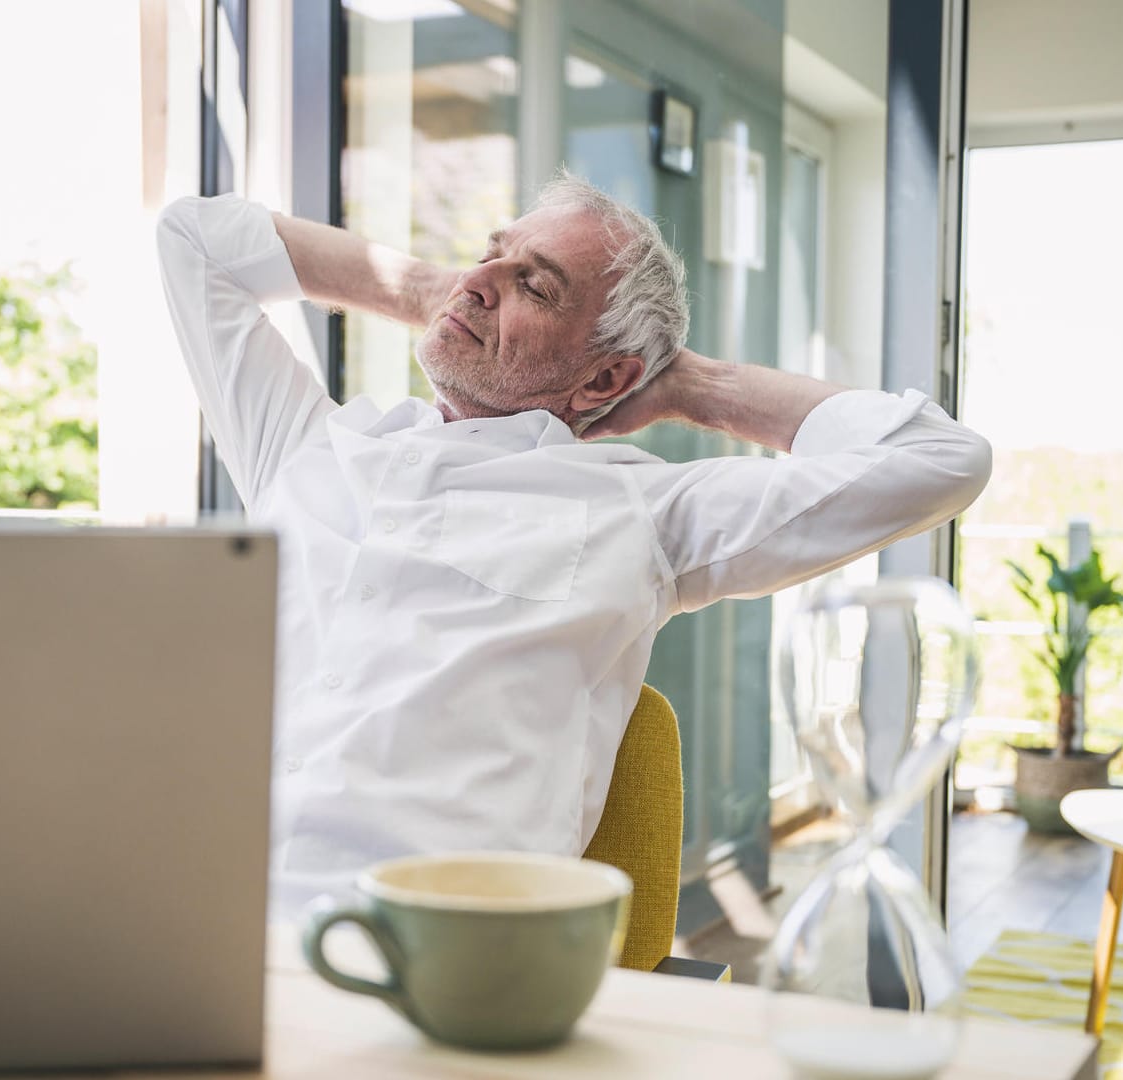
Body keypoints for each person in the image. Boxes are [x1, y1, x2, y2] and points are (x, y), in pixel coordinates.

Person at [155, 174, 991, 916]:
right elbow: (193, 238)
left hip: (439, 961)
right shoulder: (306, 445)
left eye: (536, 287)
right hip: (196, 921)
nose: (481, 282)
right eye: (490, 254)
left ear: (605, 380)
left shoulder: (644, 511)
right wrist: (430, 290)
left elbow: (940, 461)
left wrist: (690, 386)